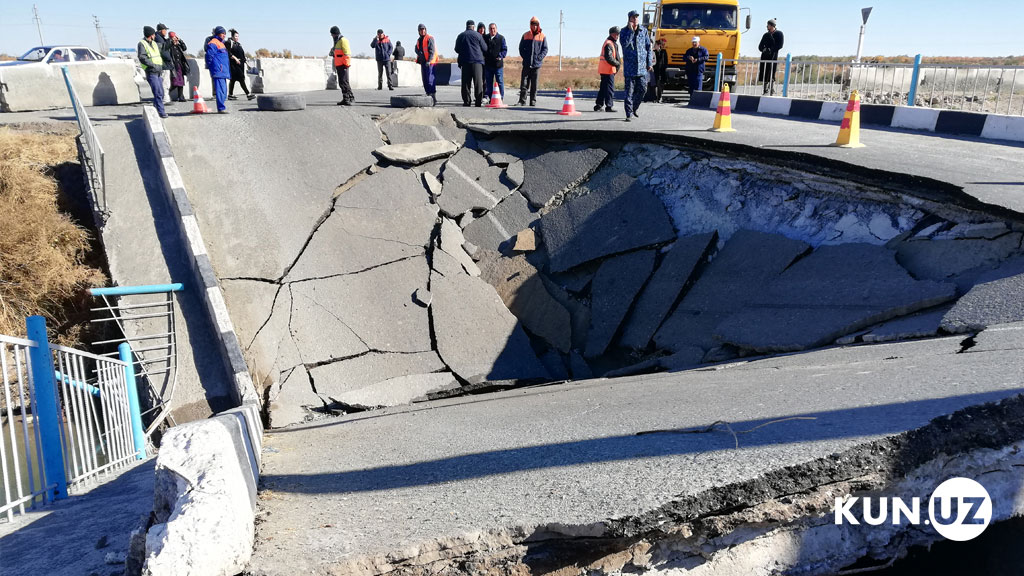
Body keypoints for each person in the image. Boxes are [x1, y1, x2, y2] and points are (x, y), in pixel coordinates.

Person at [619, 10, 652, 121]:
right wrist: (631, 31)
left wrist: (649, 62)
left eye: (637, 17)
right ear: (629, 19)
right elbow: (625, 44)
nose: (635, 19)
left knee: (643, 89)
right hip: (630, 68)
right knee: (629, 92)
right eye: (633, 17)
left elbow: (648, 47)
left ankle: (634, 108)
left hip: (642, 67)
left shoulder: (643, 31)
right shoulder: (624, 31)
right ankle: (628, 113)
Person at [455, 20, 488, 107]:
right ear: (473, 27)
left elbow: (456, 49)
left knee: (466, 83)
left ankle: (467, 101)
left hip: (465, 62)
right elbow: (485, 48)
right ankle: (478, 102)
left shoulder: (461, 35)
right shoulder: (478, 35)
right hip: (477, 62)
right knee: (478, 83)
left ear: (466, 26)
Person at [516, 17, 548, 107]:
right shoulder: (526, 35)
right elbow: (521, 48)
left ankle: (533, 101)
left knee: (534, 84)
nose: (534, 26)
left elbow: (545, 49)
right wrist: (525, 57)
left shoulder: (542, 36)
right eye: (532, 24)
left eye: (536, 25)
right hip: (526, 64)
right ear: (530, 25)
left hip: (536, 65)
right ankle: (522, 101)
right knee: (524, 84)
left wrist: (539, 58)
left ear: (538, 25)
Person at [138, 26, 167, 118]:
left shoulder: (154, 43)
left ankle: (154, 110)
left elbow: (163, 47)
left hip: (158, 72)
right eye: (154, 34)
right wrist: (153, 65)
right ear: (151, 35)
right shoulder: (142, 44)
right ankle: (161, 112)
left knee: (161, 93)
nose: (155, 35)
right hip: (151, 72)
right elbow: (142, 57)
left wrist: (172, 42)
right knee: (158, 93)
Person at [594, 27, 620, 113]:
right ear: (612, 34)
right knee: (609, 88)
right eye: (616, 34)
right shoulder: (609, 43)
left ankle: (598, 105)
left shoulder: (610, 42)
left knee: (604, 88)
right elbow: (609, 57)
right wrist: (617, 63)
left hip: (605, 69)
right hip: (608, 70)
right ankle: (609, 106)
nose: (618, 35)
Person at [205, 26, 231, 113]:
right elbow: (209, 56)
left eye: (225, 34)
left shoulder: (221, 43)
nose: (224, 35)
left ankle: (222, 105)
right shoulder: (213, 43)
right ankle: (221, 108)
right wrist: (211, 66)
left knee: (224, 91)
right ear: (218, 33)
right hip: (218, 70)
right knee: (220, 90)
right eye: (222, 33)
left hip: (223, 70)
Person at [225, 29, 254, 100]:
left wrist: (247, 64)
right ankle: (248, 94)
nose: (237, 38)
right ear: (232, 36)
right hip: (234, 65)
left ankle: (230, 95)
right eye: (236, 36)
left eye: (238, 36)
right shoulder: (229, 43)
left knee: (233, 80)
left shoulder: (238, 44)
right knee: (241, 79)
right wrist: (235, 59)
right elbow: (228, 53)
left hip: (240, 65)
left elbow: (242, 56)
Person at [758, 19, 784, 95]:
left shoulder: (779, 34)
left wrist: (771, 49)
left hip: (773, 56)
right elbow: (760, 46)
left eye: (768, 25)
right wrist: (764, 49)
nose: (767, 26)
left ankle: (771, 88)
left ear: (772, 25)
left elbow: (780, 45)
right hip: (764, 56)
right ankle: (765, 89)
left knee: (771, 72)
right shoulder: (765, 35)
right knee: (764, 72)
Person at [330, 26, 354, 106]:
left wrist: (345, 65)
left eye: (332, 34)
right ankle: (347, 98)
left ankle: (348, 99)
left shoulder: (343, 40)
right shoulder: (337, 41)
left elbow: (347, 54)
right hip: (339, 64)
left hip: (343, 65)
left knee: (344, 82)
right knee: (342, 82)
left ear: (335, 33)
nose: (332, 36)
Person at [414, 24, 438, 106]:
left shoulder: (429, 38)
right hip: (423, 62)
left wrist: (429, 60)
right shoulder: (419, 40)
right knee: (425, 79)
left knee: (430, 79)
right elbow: (416, 49)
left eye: (424, 29)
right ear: (419, 31)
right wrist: (419, 53)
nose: (422, 31)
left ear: (426, 30)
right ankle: (428, 94)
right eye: (421, 29)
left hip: (430, 63)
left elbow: (432, 50)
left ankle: (433, 97)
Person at [484, 23, 507, 101]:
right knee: (489, 83)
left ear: (496, 29)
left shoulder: (501, 38)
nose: (492, 30)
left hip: (498, 65)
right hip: (488, 65)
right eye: (490, 28)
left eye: (494, 28)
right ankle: (491, 98)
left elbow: (504, 50)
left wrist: (500, 56)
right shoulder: (485, 38)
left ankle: (501, 97)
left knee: (499, 81)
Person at [167, 32, 190, 102]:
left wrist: (180, 40)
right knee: (175, 82)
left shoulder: (178, 45)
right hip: (174, 65)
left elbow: (184, 48)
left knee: (181, 81)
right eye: (173, 38)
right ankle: (166, 93)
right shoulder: (169, 45)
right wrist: (171, 42)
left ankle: (181, 96)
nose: (175, 39)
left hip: (180, 64)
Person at [653, 38, 668, 103]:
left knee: (661, 84)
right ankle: (657, 97)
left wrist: (664, 68)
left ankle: (660, 97)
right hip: (655, 70)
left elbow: (665, 61)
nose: (654, 46)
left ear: (659, 45)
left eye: (655, 45)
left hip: (662, 70)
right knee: (656, 84)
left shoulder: (663, 52)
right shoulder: (654, 52)